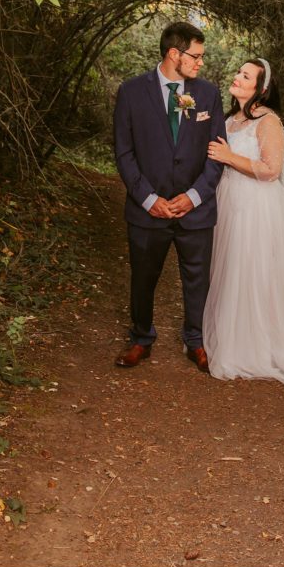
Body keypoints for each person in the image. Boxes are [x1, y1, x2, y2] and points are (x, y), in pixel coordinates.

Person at [203, 58, 284, 381]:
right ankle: (234, 337)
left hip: (257, 206)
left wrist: (230, 157)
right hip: (229, 200)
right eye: (238, 72)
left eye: (245, 76)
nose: (237, 77)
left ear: (260, 89)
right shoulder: (231, 119)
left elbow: (271, 169)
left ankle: (261, 344)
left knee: (254, 270)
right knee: (231, 268)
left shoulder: (269, 121)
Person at [112, 22, 227, 371]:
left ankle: (196, 340)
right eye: (196, 56)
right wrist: (149, 199)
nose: (200, 63)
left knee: (198, 279)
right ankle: (141, 338)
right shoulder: (131, 92)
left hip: (196, 210)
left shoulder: (208, 94)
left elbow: (218, 153)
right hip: (148, 211)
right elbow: (123, 152)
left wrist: (194, 196)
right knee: (144, 276)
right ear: (173, 54)